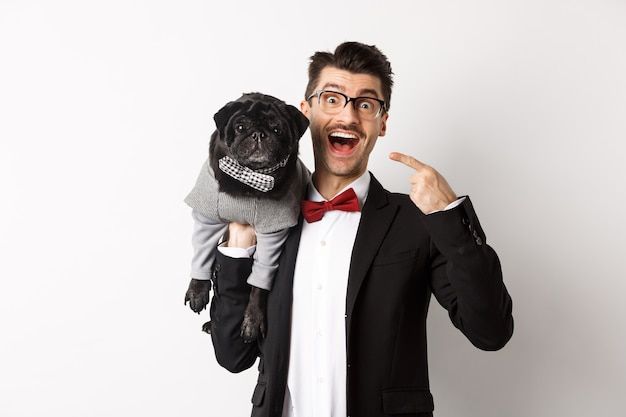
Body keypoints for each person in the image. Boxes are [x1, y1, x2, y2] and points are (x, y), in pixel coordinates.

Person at [204, 41, 514, 417]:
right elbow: (233, 355)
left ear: (382, 123)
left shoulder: (416, 221)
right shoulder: (266, 221)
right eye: (332, 99)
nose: (348, 117)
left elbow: (491, 332)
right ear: (306, 114)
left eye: (365, 104)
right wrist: (237, 248)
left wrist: (450, 216)